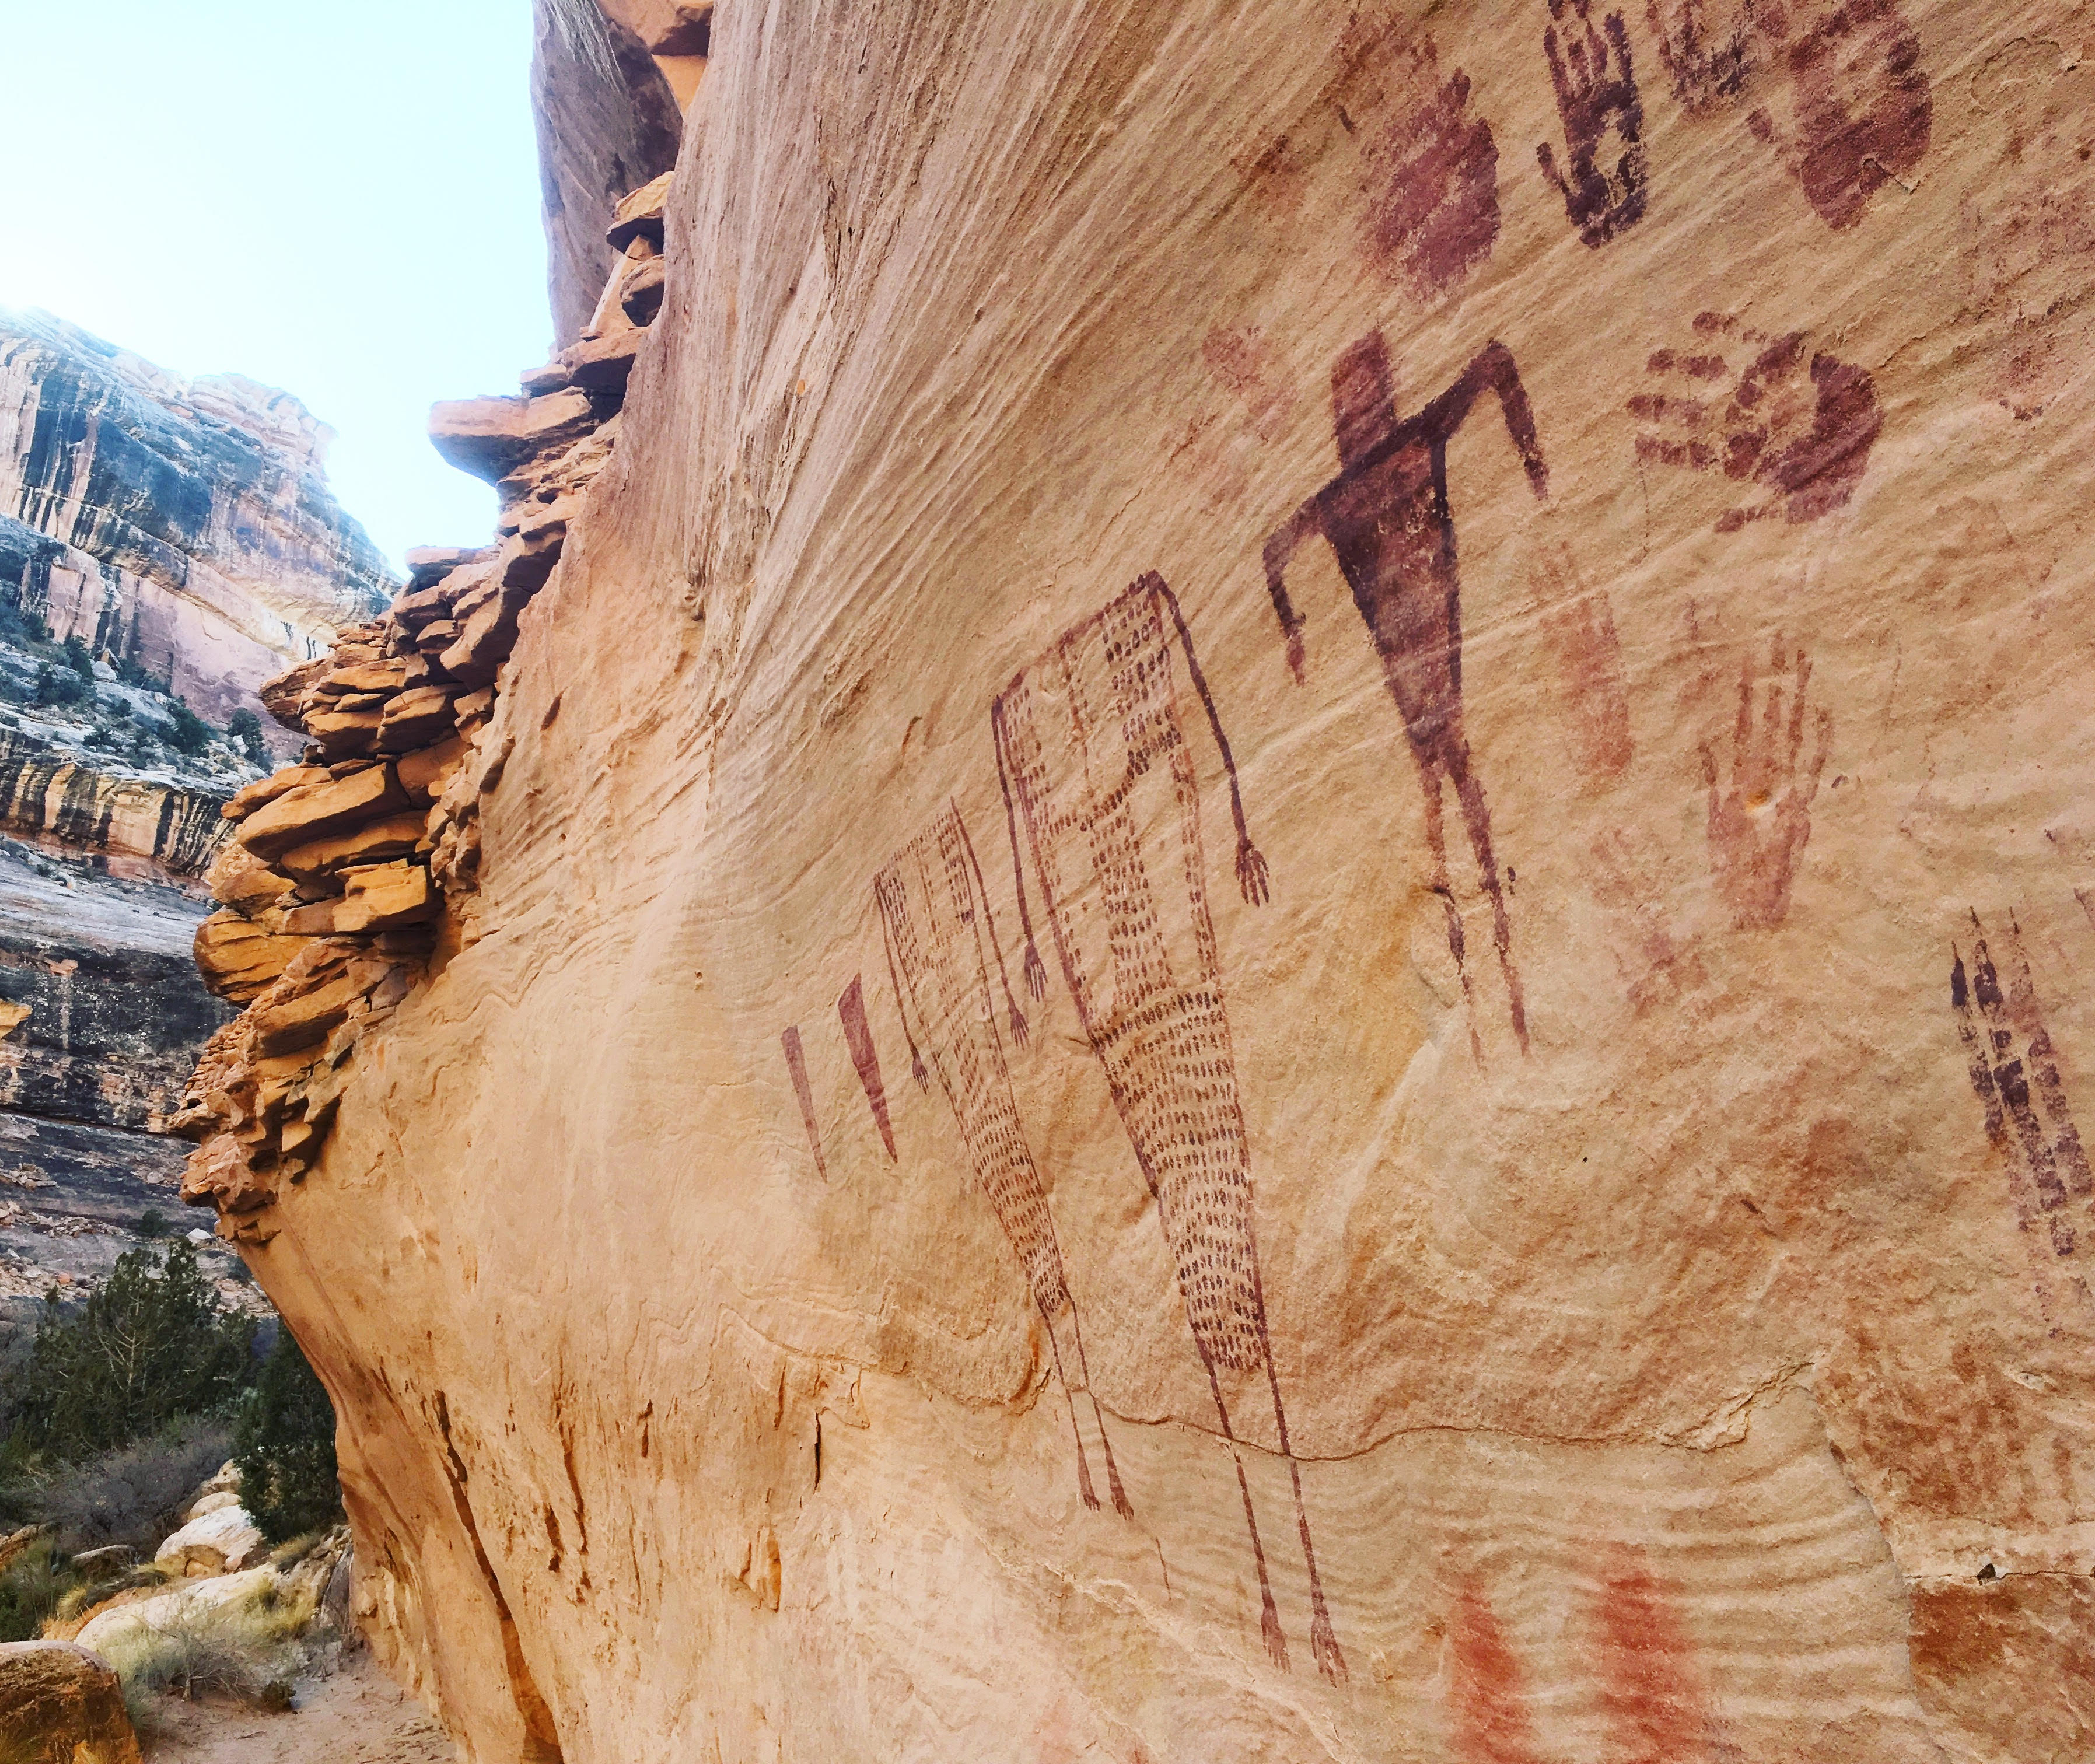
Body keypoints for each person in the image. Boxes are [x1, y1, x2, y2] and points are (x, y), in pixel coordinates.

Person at [1262, 332, 1548, 1054]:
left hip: (1426, 660)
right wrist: (1531, 458)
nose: (1353, 417)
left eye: (1359, 400)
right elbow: (1493, 364)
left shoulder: (1385, 465)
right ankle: (1485, 987)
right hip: (1418, 665)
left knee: (1447, 778)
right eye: (1349, 404)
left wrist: (1533, 457)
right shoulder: (1388, 462)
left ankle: (1491, 983)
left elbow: (1492, 362)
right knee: (1445, 779)